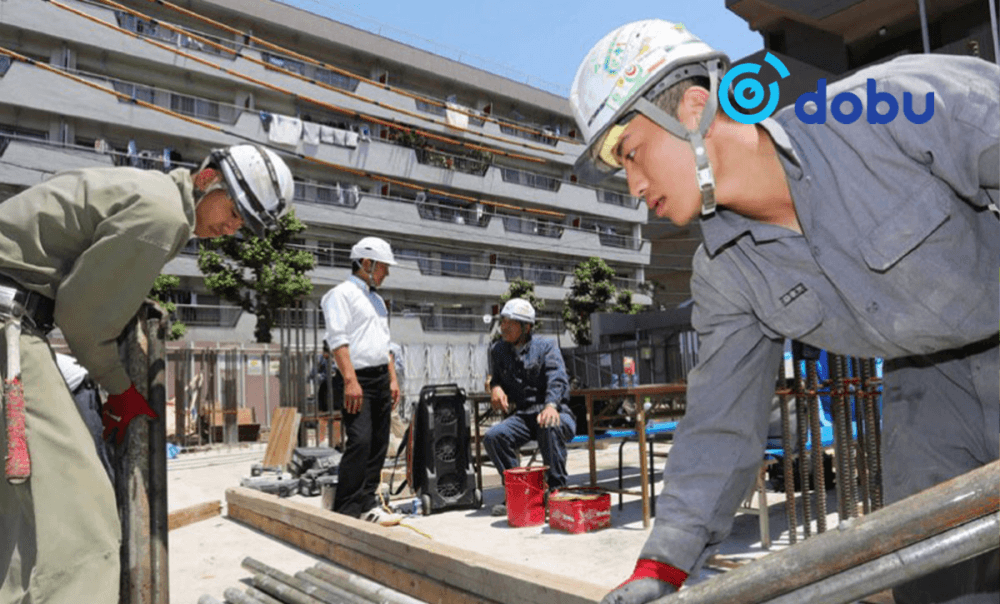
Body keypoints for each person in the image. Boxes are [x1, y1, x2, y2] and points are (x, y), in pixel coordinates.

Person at [568, 20, 999, 604]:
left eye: (635, 155)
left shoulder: (888, 108)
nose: (636, 186)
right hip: (927, 395)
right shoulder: (727, 275)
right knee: (927, 576)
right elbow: (719, 422)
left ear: (694, 109)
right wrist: (664, 565)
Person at [0, 143, 294, 604]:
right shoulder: (161, 214)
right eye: (234, 209)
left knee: (24, 521)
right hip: (8, 323)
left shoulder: (149, 194)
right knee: (86, 526)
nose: (231, 227)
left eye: (243, 224)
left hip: (16, 318)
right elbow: (83, 319)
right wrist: (120, 389)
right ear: (205, 179)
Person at [321, 236, 402, 526]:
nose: (386, 272)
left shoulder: (377, 301)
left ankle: (368, 502)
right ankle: (346, 507)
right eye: (383, 266)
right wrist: (350, 381)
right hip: (358, 379)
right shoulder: (340, 295)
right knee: (360, 440)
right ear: (366, 263)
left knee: (380, 442)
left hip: (380, 377)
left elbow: (385, 344)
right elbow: (338, 341)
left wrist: (392, 379)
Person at [483, 298, 576, 516]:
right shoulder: (499, 351)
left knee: (548, 424)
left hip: (557, 412)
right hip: (525, 416)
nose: (503, 327)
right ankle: (521, 493)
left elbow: (558, 379)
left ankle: (556, 492)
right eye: (503, 321)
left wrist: (551, 405)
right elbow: (495, 379)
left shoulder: (546, 347)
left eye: (510, 323)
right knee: (494, 436)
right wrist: (495, 388)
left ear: (527, 327)